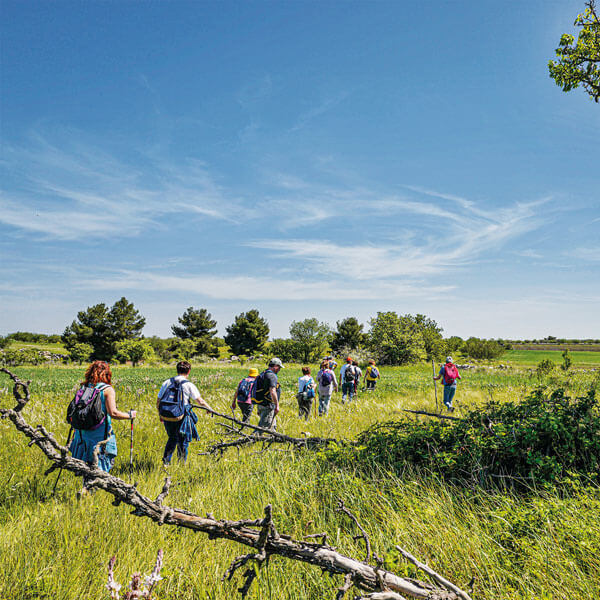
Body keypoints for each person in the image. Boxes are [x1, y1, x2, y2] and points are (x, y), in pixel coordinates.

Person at [70, 361, 136, 477]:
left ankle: (86, 491)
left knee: (87, 470)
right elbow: (113, 413)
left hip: (82, 437)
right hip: (100, 438)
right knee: (100, 472)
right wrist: (130, 415)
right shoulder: (107, 389)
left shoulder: (84, 387)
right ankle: (88, 492)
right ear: (107, 373)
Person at [157, 361, 212, 465]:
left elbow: (158, 401)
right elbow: (200, 401)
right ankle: (181, 465)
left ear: (177, 370)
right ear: (189, 371)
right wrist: (209, 408)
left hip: (167, 415)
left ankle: (166, 463)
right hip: (182, 415)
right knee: (183, 441)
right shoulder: (188, 385)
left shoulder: (167, 382)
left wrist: (160, 414)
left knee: (172, 438)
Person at [253, 357, 284, 430]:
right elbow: (272, 391)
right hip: (268, 405)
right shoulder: (272, 376)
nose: (279, 370)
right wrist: (277, 405)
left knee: (272, 426)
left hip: (262, 404)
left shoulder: (263, 373)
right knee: (263, 428)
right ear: (275, 366)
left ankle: (273, 439)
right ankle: (250, 439)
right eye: (279, 367)